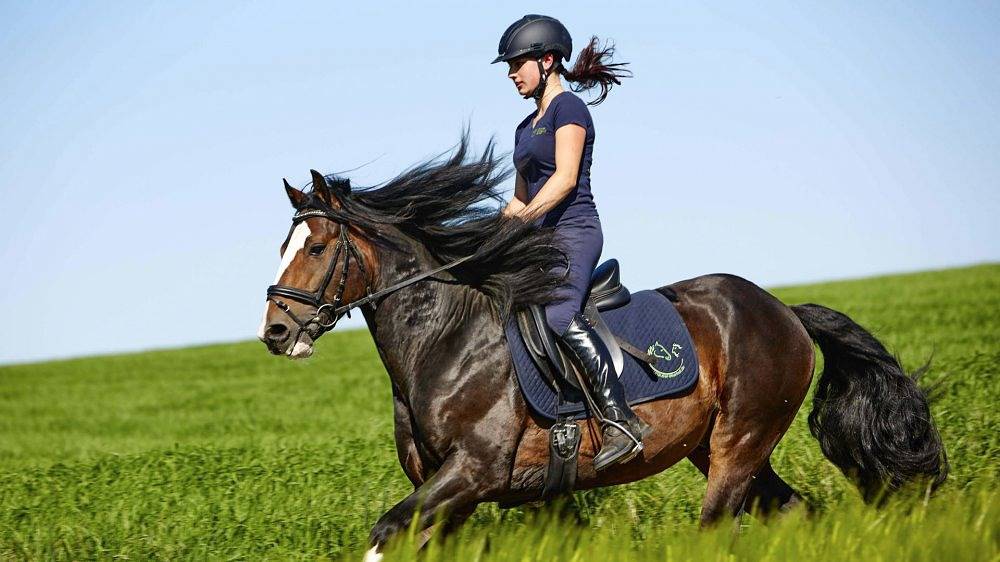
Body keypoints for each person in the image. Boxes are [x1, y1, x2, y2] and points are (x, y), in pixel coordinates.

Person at [492, 14, 647, 471]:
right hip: (539, 240)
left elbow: (563, 180)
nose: (511, 73)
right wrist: (484, 237)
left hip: (575, 230)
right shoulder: (524, 129)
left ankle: (621, 421)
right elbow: (519, 200)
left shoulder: (569, 109)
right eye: (509, 66)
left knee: (559, 315)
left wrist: (522, 223)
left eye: (517, 63)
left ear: (547, 61)